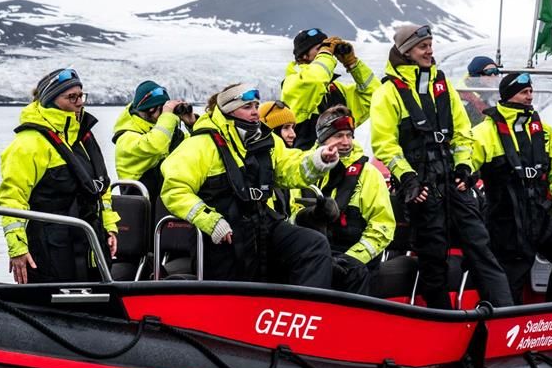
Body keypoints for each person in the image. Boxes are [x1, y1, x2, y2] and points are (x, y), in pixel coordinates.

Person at [370, 24, 514, 309]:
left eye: (431, 45)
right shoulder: (388, 92)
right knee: (433, 258)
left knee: (480, 247)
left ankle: (505, 314)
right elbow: (384, 144)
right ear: (407, 50)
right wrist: (408, 180)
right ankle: (442, 322)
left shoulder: (442, 84)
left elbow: (462, 132)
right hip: (421, 189)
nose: (430, 50)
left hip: (454, 183)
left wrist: (464, 169)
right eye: (423, 46)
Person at [160, 83, 338, 287]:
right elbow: (174, 189)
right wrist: (210, 221)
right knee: (234, 281)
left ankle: (307, 311)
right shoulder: (199, 145)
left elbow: (289, 167)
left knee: (312, 245)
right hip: (222, 233)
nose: (255, 112)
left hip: (263, 224)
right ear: (229, 109)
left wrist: (319, 159)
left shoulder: (267, 139)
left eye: (256, 105)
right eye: (247, 107)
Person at [469, 72, 552, 304]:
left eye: (530, 92)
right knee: (507, 292)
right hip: (505, 223)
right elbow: (464, 165)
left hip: (541, 216)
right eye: (523, 92)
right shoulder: (484, 133)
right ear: (509, 95)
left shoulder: (545, 132)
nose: (530, 97)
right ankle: (508, 326)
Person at [0, 68, 119, 284]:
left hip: (90, 243)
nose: (80, 102)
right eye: (72, 97)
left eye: (81, 95)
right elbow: (12, 198)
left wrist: (109, 227)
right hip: (50, 248)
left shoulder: (82, 136)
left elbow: (101, 189)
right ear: (51, 99)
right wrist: (17, 248)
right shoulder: (28, 144)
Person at [293, 105, 395, 295]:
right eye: (339, 136)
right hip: (312, 254)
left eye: (349, 135)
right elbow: (290, 218)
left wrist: (350, 259)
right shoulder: (306, 170)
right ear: (323, 138)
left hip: (353, 259)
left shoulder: (368, 174)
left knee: (355, 273)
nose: (346, 142)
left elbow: (383, 227)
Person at [281, 28, 379, 149]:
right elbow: (314, 81)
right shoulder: (293, 83)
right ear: (304, 56)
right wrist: (326, 54)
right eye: (320, 49)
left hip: (339, 160)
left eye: (327, 48)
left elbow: (375, 96)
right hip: (309, 161)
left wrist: (353, 64)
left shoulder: (335, 90)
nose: (328, 52)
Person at [113, 80, 197, 204]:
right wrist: (167, 116)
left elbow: (197, 149)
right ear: (150, 109)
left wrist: (192, 124)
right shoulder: (126, 138)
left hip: (167, 205)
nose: (165, 113)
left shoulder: (168, 133)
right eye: (162, 109)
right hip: (140, 208)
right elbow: (155, 145)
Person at [461, 56, 501, 125]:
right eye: (489, 72)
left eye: (496, 71)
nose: (493, 76)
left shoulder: (495, 92)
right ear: (476, 76)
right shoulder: (466, 99)